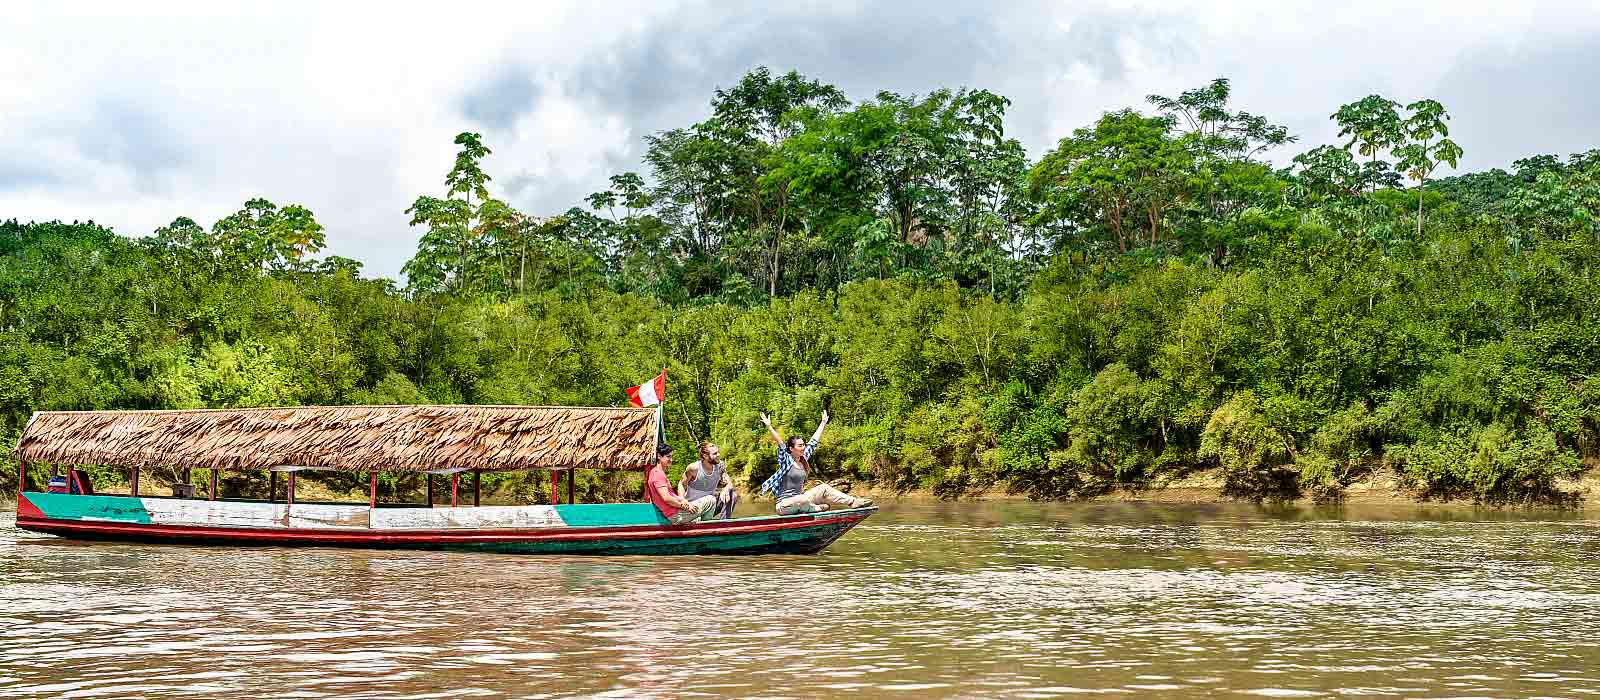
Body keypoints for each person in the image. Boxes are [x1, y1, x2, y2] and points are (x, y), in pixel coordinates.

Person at [758, 410, 872, 515]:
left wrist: (823, 423)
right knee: (802, 499)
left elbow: (813, 442)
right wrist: (769, 426)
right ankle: (814, 508)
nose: (803, 447)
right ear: (791, 449)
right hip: (784, 506)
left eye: (803, 445)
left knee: (824, 488)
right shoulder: (786, 461)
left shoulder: (803, 459)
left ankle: (853, 502)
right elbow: (780, 443)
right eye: (800, 445)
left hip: (801, 502)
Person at [645, 444, 718, 525]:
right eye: (668, 457)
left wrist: (683, 500)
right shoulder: (658, 474)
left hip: (675, 511)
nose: (671, 460)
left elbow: (670, 496)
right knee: (711, 500)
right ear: (659, 456)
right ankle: (706, 529)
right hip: (675, 515)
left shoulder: (656, 472)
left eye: (671, 456)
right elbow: (667, 498)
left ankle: (702, 527)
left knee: (699, 512)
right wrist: (684, 506)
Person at [679, 441, 738, 519]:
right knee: (711, 500)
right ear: (705, 456)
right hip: (694, 508)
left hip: (711, 505)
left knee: (732, 494)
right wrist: (683, 500)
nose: (718, 455)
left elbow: (729, 482)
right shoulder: (693, 468)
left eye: (718, 452)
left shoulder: (720, 466)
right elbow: (681, 484)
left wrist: (726, 489)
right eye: (715, 454)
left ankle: (723, 524)